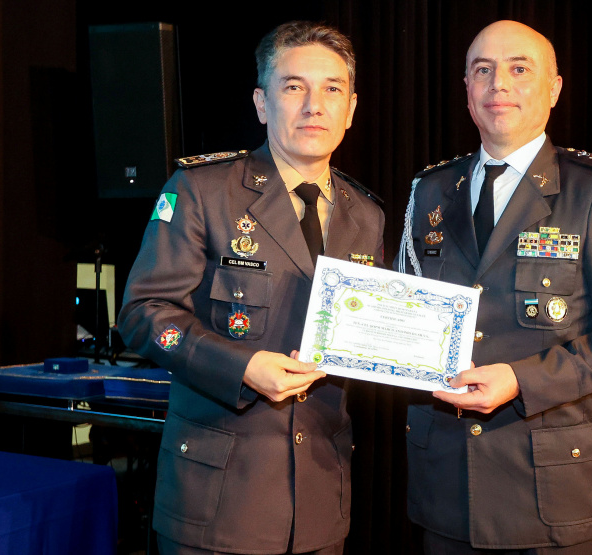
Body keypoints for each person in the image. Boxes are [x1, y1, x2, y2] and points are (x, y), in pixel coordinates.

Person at [395, 20, 592, 554]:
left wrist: (521, 380)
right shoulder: (430, 189)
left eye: (520, 69)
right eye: (483, 70)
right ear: (467, 91)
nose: (499, 84)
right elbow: (407, 313)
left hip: (552, 493)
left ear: (554, 88)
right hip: (446, 486)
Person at [118, 21, 384, 555]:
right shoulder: (202, 190)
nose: (314, 105)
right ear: (262, 103)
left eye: (332, 89)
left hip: (319, 500)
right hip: (217, 501)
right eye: (293, 87)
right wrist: (240, 368)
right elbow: (144, 313)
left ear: (351, 109)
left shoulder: (367, 215)